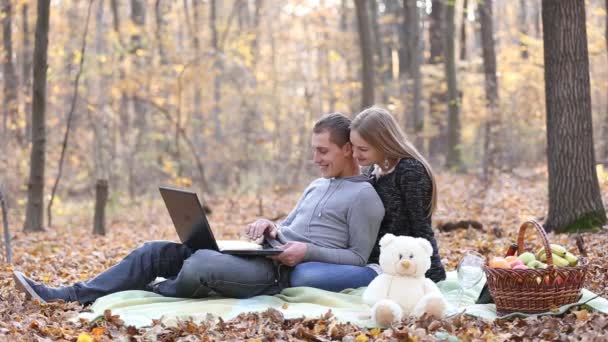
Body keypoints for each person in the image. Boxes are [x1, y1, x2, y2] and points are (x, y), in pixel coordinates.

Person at [13, 113, 385, 304]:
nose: (315, 158)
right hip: (262, 255)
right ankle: (67, 295)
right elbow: (288, 225)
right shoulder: (317, 185)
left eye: (323, 151)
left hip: (278, 276)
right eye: (314, 149)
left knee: (200, 264)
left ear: (348, 149)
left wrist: (307, 252)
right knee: (152, 251)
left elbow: (359, 257)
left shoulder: (364, 197)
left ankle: (164, 290)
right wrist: (269, 226)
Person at [290, 106, 446, 291]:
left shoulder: (410, 171)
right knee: (302, 270)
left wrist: (434, 278)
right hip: (363, 260)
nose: (355, 155)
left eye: (362, 149)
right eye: (353, 147)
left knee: (305, 276)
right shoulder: (373, 170)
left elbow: (422, 228)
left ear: (384, 143)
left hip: (394, 264)